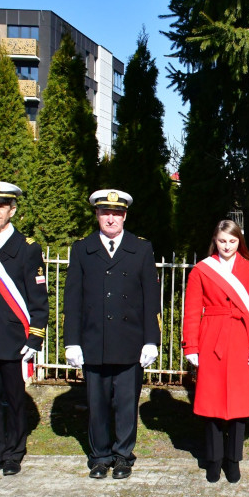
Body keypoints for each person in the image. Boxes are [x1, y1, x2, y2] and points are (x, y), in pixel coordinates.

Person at [64, 190, 162, 480]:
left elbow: (150, 298)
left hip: (129, 341)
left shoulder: (141, 249)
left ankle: (122, 456)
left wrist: (151, 339)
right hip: (93, 340)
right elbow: (73, 298)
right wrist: (72, 341)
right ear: (96, 215)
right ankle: (99, 456)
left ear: (125, 216)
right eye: (105, 212)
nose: (111, 218)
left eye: (116, 213)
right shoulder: (82, 249)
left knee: (126, 403)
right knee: (97, 404)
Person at [0, 181, 48, 477]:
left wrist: (36, 335)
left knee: (14, 399)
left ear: (12, 209)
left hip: (13, 337)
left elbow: (38, 298)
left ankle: (14, 453)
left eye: (1, 205)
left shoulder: (27, 248)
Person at [182, 220, 249, 483]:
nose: (227, 246)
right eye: (222, 241)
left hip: (242, 340)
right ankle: (214, 460)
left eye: (232, 241)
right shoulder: (201, 270)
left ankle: (233, 460)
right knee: (212, 404)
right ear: (215, 241)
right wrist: (191, 346)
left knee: (240, 407)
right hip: (212, 340)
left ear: (239, 241)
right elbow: (192, 311)